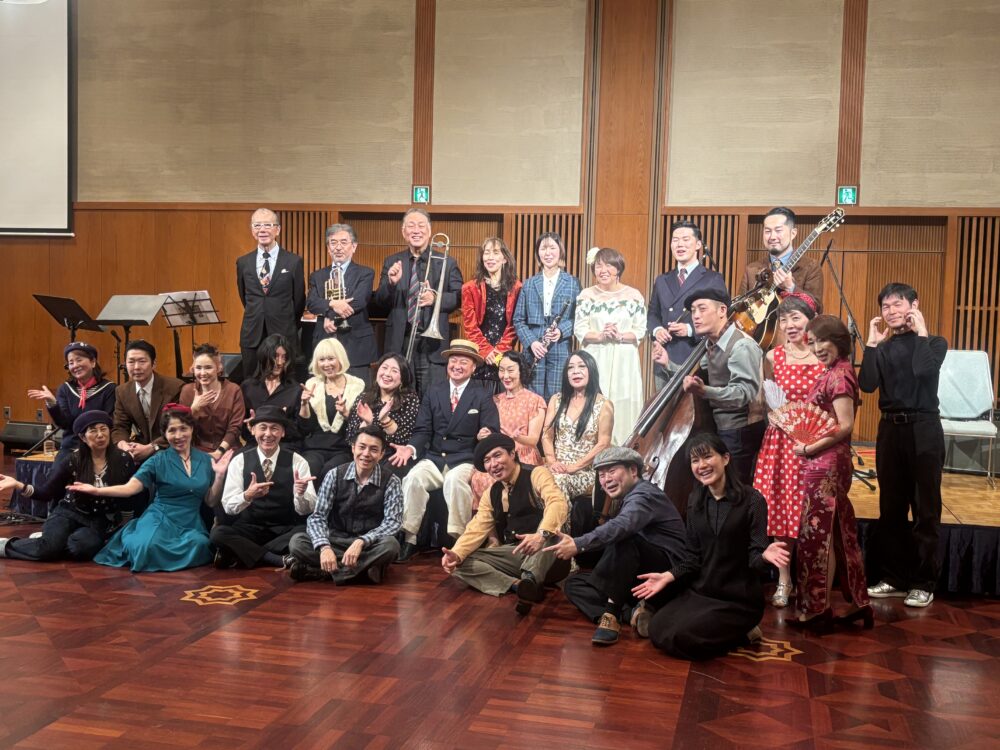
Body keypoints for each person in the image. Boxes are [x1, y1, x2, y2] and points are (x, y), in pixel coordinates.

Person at [634, 433, 789, 660]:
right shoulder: (695, 501)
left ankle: (745, 632)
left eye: (707, 457)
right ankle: (735, 633)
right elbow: (692, 558)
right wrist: (668, 575)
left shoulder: (753, 500)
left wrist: (765, 556)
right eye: (695, 460)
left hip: (739, 599)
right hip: (703, 592)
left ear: (725, 458)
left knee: (682, 638)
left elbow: (755, 559)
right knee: (658, 628)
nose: (702, 465)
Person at [860, 282, 948, 608]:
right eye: (886, 306)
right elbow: (867, 385)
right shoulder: (882, 348)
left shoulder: (935, 343)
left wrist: (921, 333)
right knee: (891, 509)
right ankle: (894, 578)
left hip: (924, 428)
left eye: (898, 304)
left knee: (926, 509)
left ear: (914, 305)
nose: (891, 311)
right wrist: (871, 345)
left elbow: (923, 370)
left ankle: (923, 582)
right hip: (890, 431)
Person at [547, 446, 687, 646]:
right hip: (640, 576)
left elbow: (622, 526)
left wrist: (578, 543)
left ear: (633, 470)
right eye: (602, 475)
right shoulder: (629, 496)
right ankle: (635, 613)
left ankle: (612, 615)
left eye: (612, 471)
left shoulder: (645, 495)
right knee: (574, 585)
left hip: (668, 576)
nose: (606, 480)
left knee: (623, 538)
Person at [77, 405, 233, 572]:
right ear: (164, 434)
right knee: (145, 548)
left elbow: (210, 501)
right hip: (160, 517)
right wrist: (97, 491)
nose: (178, 436)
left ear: (192, 429)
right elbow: (130, 488)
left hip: (190, 522)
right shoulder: (157, 460)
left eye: (183, 429)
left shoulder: (206, 460)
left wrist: (219, 476)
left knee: (200, 545)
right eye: (172, 430)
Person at [789, 315, 871, 628]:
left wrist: (810, 447)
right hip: (824, 460)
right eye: (812, 342)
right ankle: (858, 604)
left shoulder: (840, 375)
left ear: (838, 340)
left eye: (822, 340)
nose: (817, 348)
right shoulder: (834, 371)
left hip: (827, 462)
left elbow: (846, 425)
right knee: (837, 532)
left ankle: (818, 609)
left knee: (817, 534)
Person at [393, 339, 501, 561]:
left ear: (473, 367)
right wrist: (410, 448)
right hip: (435, 458)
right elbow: (423, 429)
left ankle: (459, 542)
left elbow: (492, 428)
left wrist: (487, 433)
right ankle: (409, 538)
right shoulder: (434, 391)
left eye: (464, 362)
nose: (457, 366)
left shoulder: (482, 394)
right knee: (412, 479)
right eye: (454, 360)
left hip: (465, 459)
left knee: (454, 481)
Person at [442, 434, 570, 614]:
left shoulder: (536, 473)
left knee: (553, 536)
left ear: (512, 454)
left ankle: (531, 579)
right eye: (487, 460)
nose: (493, 464)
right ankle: (519, 586)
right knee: (461, 563)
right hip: (515, 553)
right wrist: (455, 554)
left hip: (547, 555)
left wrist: (540, 535)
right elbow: (476, 527)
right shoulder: (491, 493)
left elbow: (557, 502)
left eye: (497, 455)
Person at [751, 294, 824, 608]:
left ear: (811, 320)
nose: (789, 325)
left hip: (814, 442)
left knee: (809, 510)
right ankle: (784, 579)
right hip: (781, 442)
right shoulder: (773, 356)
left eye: (796, 318)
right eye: (784, 319)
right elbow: (767, 397)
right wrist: (774, 414)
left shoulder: (823, 356)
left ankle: (812, 580)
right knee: (780, 509)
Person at [0, 412, 136, 562]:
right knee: (48, 549)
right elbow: (47, 492)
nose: (100, 435)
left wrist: (124, 527)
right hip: (69, 512)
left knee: (81, 549)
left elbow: (129, 497)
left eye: (103, 429)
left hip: (99, 519)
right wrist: (18, 484)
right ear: (83, 438)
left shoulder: (123, 460)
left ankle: (48, 541)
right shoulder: (73, 460)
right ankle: (7, 546)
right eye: (93, 431)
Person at [286, 426, 402, 584]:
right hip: (335, 540)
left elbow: (393, 522)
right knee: (297, 542)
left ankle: (322, 572)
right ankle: (364, 572)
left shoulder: (391, 481)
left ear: (382, 454)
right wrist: (324, 547)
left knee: (391, 546)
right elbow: (318, 517)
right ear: (353, 448)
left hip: (369, 544)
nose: (366, 454)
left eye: (374, 449)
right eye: (362, 447)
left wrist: (361, 541)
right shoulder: (334, 475)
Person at [212, 405, 318, 570]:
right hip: (250, 528)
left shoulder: (298, 461)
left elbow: (306, 510)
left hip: (284, 529)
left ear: (283, 432)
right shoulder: (239, 460)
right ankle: (274, 558)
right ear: (253, 430)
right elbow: (228, 507)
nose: (268, 434)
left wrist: (300, 494)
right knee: (218, 534)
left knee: (307, 531)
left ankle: (242, 554)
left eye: (274, 428)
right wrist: (247, 495)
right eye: (263, 428)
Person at [679, 288, 766, 484]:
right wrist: (667, 362)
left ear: (722, 310)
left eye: (702, 309)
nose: (696, 316)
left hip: (741, 432)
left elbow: (743, 393)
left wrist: (704, 391)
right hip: (722, 428)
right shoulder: (712, 344)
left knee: (735, 489)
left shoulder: (741, 346)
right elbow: (699, 371)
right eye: (693, 311)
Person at [373, 208, 463, 394]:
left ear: (429, 231)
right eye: (411, 226)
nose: (416, 230)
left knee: (433, 396)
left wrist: (435, 298)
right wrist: (391, 284)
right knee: (401, 396)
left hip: (432, 344)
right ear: (403, 232)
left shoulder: (447, 262)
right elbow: (380, 301)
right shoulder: (392, 261)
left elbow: (459, 297)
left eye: (421, 226)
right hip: (400, 341)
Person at [574, 247, 647, 445]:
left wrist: (620, 335)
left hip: (625, 358)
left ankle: (625, 447)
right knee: (596, 398)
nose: (603, 270)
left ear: (618, 268)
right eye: (598, 266)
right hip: (596, 355)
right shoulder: (587, 295)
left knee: (623, 401)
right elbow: (580, 329)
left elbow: (640, 330)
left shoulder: (633, 295)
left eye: (608, 265)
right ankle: (593, 448)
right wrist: (600, 335)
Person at [648, 220, 729, 387]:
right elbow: (652, 313)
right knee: (663, 403)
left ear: (698, 244)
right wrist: (657, 330)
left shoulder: (712, 278)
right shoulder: (662, 280)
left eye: (685, 239)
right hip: (664, 355)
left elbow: (723, 320)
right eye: (675, 240)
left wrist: (690, 329)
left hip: (697, 356)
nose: (680, 244)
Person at [236, 207, 305, 378]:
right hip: (252, 332)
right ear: (252, 230)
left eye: (268, 225)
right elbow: (244, 296)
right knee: (251, 381)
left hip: (283, 331)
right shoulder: (243, 262)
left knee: (286, 380)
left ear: (278, 229)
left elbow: (298, 300)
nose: (262, 230)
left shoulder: (293, 261)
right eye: (257, 225)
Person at [513, 231, 581, 401]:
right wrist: (532, 342)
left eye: (552, 248)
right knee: (532, 399)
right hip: (534, 350)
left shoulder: (573, 283)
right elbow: (518, 320)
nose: (548, 253)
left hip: (560, 348)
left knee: (557, 399)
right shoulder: (529, 284)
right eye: (543, 248)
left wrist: (562, 331)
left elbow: (579, 318)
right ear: (538, 253)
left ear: (560, 251)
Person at [469, 352, 547, 500]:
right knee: (479, 478)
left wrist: (517, 437)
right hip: (497, 455)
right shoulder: (494, 400)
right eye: (502, 370)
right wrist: (481, 435)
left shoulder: (535, 400)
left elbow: (533, 440)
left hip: (522, 455)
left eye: (510, 370)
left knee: (503, 480)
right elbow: (488, 431)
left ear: (521, 371)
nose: (505, 376)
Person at [305, 223, 377, 384]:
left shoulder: (365, 273)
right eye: (333, 242)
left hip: (356, 344)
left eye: (344, 242)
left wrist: (330, 315)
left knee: (358, 390)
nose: (338, 247)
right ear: (328, 248)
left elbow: (359, 301)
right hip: (325, 340)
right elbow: (312, 303)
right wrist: (332, 304)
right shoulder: (317, 276)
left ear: (354, 246)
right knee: (322, 390)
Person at [540, 352, 614, 502]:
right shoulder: (556, 399)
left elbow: (603, 444)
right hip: (556, 468)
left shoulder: (604, 404)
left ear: (591, 370)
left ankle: (558, 519)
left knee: (557, 483)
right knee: (535, 479)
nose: (575, 371)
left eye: (581, 366)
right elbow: (546, 435)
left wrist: (574, 467)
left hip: (585, 472)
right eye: (570, 368)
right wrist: (552, 462)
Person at [298, 337, 366, 482]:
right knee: (309, 469)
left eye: (330, 359)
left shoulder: (357, 386)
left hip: (342, 448)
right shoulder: (312, 384)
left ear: (340, 359)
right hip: (314, 448)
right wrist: (304, 404)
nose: (326, 364)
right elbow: (305, 428)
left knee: (330, 472)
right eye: (322, 360)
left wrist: (346, 413)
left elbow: (362, 426)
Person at [28, 342, 116, 452]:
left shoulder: (109, 388)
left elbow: (109, 423)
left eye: (79, 360)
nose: (75, 366)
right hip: (70, 447)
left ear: (93, 362)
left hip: (99, 447)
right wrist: (52, 403)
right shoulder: (65, 389)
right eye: (71, 363)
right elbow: (64, 424)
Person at [461, 237, 522, 393]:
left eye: (495, 252)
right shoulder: (470, 288)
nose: (490, 257)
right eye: (486, 253)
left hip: (503, 356)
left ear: (505, 258)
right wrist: (486, 351)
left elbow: (515, 325)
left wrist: (498, 352)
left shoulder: (517, 288)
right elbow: (470, 326)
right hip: (479, 355)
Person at [346, 353, 421, 476]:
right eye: (384, 368)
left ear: (402, 378)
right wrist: (367, 423)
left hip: (393, 454)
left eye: (394, 371)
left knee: (385, 473)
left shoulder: (410, 399)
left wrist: (385, 420)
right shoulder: (364, 397)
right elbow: (351, 437)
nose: (387, 374)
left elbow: (405, 440)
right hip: (366, 453)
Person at [111, 340, 183, 464]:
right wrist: (123, 445)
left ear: (153, 364)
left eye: (142, 361)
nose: (136, 367)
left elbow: (179, 428)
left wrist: (152, 447)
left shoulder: (174, 388)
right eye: (131, 362)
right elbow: (120, 426)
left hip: (169, 447)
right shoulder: (122, 391)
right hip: (139, 447)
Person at [739, 206, 823, 310]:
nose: (772, 237)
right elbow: (739, 309)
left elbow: (817, 308)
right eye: (767, 231)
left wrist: (791, 287)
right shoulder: (751, 269)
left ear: (793, 233)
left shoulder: (811, 267)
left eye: (778, 230)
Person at [179, 343, 245, 459]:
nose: (203, 373)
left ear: (218, 368)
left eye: (208, 367)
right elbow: (180, 428)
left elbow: (235, 428)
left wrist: (219, 452)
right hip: (197, 450)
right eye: (198, 368)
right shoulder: (187, 391)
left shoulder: (233, 390)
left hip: (228, 449)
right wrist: (193, 410)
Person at [241, 334, 304, 452]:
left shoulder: (295, 389)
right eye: (275, 356)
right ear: (264, 356)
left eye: (284, 357)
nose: (280, 362)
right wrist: (252, 428)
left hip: (285, 446)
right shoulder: (248, 387)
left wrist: (282, 424)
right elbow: (242, 428)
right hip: (254, 445)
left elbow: (300, 432)